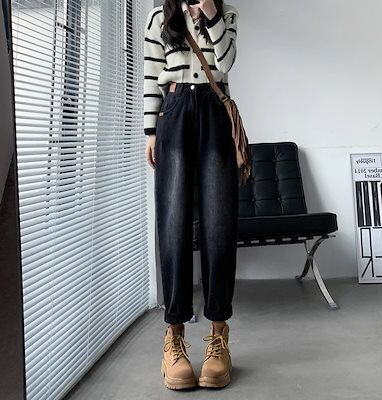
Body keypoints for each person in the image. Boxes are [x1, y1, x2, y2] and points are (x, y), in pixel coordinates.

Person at [143, 0, 239, 390]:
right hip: (174, 111)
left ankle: (219, 335)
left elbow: (226, 63)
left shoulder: (226, 13)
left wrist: (211, 14)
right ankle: (174, 337)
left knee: (219, 223)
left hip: (215, 112)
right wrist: (151, 132)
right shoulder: (159, 16)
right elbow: (151, 74)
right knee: (173, 223)